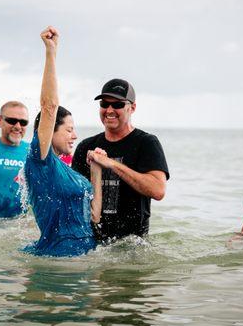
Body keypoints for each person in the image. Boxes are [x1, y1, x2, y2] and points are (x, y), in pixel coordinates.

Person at [23, 26, 104, 257]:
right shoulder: (41, 162)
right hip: (58, 257)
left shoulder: (72, 174)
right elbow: (49, 107)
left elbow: (95, 216)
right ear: (49, 130)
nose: (75, 136)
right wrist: (51, 53)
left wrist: (96, 170)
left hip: (88, 255)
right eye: (69, 129)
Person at [72, 78, 170, 242]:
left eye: (117, 105)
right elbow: (75, 197)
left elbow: (158, 190)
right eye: (104, 104)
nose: (109, 110)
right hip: (91, 243)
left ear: (132, 108)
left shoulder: (146, 143)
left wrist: (111, 163)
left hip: (132, 245)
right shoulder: (86, 146)